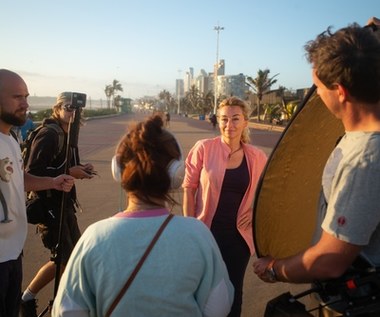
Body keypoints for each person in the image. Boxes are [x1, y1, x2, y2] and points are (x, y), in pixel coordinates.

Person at [253, 22, 380, 316]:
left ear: (341, 91)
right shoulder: (358, 139)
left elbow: (330, 260)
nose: (317, 96)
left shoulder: (366, 159)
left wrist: (274, 269)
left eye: (320, 87)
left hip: (353, 302)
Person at [51, 115, 234, 317]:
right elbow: (219, 306)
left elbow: (67, 311)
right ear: (176, 173)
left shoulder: (94, 237)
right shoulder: (198, 234)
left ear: (118, 170)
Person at [183, 96, 268, 317]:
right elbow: (188, 188)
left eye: (235, 119)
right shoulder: (203, 148)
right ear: (218, 121)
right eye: (224, 119)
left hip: (238, 237)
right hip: (205, 232)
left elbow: (267, 193)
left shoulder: (257, 157)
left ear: (245, 122)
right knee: (201, 289)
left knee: (233, 291)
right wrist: (190, 227)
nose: (229, 125)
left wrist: (255, 214)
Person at [0, 69, 74, 317]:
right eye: (17, 97)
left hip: (13, 252)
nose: (25, 104)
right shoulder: (48, 134)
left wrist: (53, 181)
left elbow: (20, 179)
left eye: (26, 96)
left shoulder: (9, 139)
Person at [20, 92, 95, 317]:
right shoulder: (50, 134)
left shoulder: (68, 133)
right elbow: (32, 173)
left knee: (73, 256)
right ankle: (28, 298)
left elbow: (65, 166)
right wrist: (69, 172)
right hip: (47, 203)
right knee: (63, 258)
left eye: (77, 109)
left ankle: (57, 300)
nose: (73, 112)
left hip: (62, 202)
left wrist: (81, 168)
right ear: (58, 108)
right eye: (68, 107)